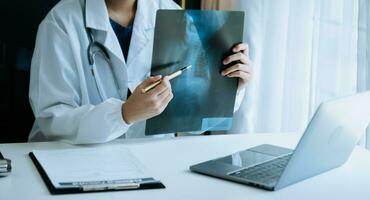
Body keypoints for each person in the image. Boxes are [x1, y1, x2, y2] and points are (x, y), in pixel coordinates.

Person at [28, 0, 253, 144]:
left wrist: (230, 86)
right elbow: (52, 120)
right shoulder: (61, 22)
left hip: (150, 161)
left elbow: (190, 120)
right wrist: (123, 114)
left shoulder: (173, 14)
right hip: (73, 160)